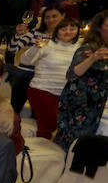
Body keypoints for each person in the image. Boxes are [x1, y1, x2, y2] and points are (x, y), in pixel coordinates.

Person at [55, 10, 108, 150]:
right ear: (98, 28)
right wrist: (93, 57)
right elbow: (72, 74)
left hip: (95, 104)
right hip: (78, 102)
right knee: (72, 143)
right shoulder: (88, 48)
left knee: (82, 143)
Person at [21, 17, 81, 138]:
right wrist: (36, 48)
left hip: (64, 94)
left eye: (72, 28)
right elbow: (24, 60)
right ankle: (38, 149)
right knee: (51, 123)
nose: (68, 31)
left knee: (59, 124)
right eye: (63, 29)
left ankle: (44, 149)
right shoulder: (47, 45)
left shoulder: (79, 48)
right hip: (42, 90)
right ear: (57, 31)